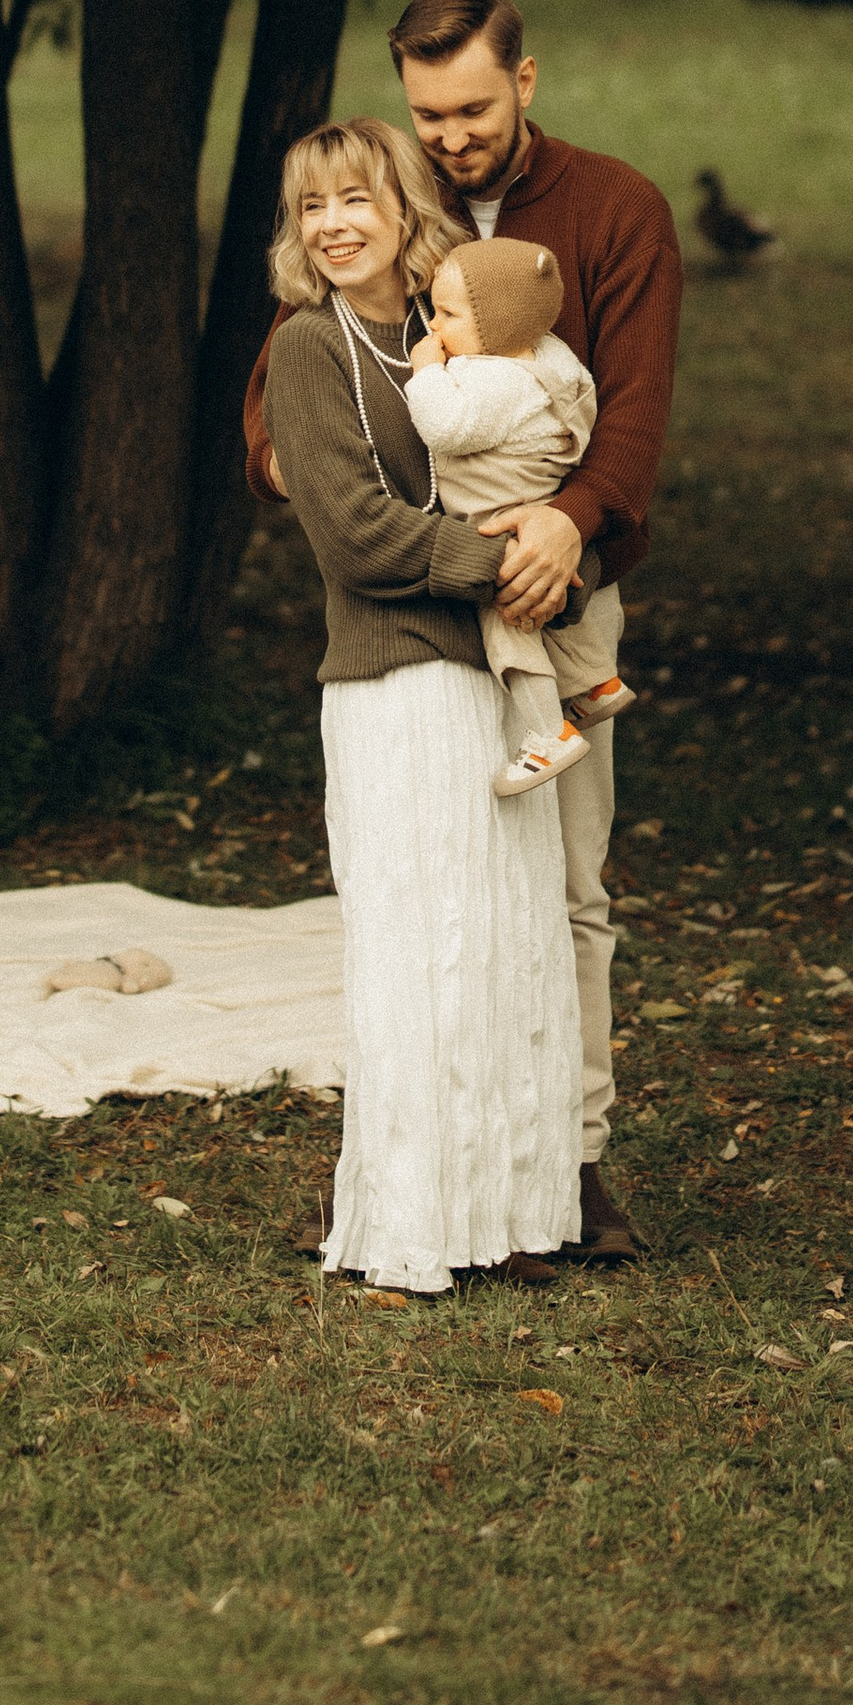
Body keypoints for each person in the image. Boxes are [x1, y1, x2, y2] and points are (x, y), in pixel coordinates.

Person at [245, 0, 681, 1264]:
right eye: (429, 115)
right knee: (451, 898)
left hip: (569, 585)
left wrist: (571, 522)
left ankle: (571, 1159)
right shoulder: (393, 205)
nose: (453, 137)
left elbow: (637, 408)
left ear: (525, 82)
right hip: (435, 608)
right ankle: (428, 1156)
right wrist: (298, 463)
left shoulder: (611, 208)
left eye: (475, 109)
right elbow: (298, 389)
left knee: (562, 889)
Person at [259, 117, 580, 1295]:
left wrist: (558, 553)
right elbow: (354, 537)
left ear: (403, 208)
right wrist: (501, 565)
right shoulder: (309, 349)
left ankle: (504, 1218)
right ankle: (411, 1229)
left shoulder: (466, 337)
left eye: (355, 199)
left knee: (507, 948)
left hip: (501, 678)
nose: (334, 225)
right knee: (418, 956)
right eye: (310, 209)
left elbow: (540, 473)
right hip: (396, 680)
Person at [406, 235, 638, 799]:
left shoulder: (492, 381)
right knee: (550, 600)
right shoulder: (549, 355)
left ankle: (546, 731)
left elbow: (444, 427)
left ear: (498, 327)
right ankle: (594, 683)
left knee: (509, 619)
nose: (433, 327)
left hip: (499, 519)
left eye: (448, 314)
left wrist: (426, 373)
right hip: (536, 500)